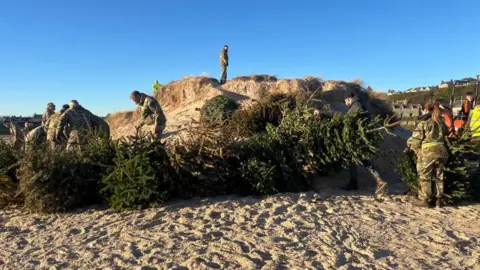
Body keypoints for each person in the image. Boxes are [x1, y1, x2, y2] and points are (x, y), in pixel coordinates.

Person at [343, 90, 388, 200]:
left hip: (359, 139)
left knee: (363, 159)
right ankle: (354, 183)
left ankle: (379, 180)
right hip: (358, 138)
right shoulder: (358, 105)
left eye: (345, 101)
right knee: (352, 159)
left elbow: (348, 119)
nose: (345, 104)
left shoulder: (356, 106)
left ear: (349, 99)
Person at [408, 102, 449, 208]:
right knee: (438, 176)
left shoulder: (424, 121)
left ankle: (425, 200)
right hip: (442, 151)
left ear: (425, 110)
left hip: (428, 152)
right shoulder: (441, 121)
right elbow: (446, 133)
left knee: (424, 176)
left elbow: (416, 139)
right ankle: (438, 200)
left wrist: (414, 149)